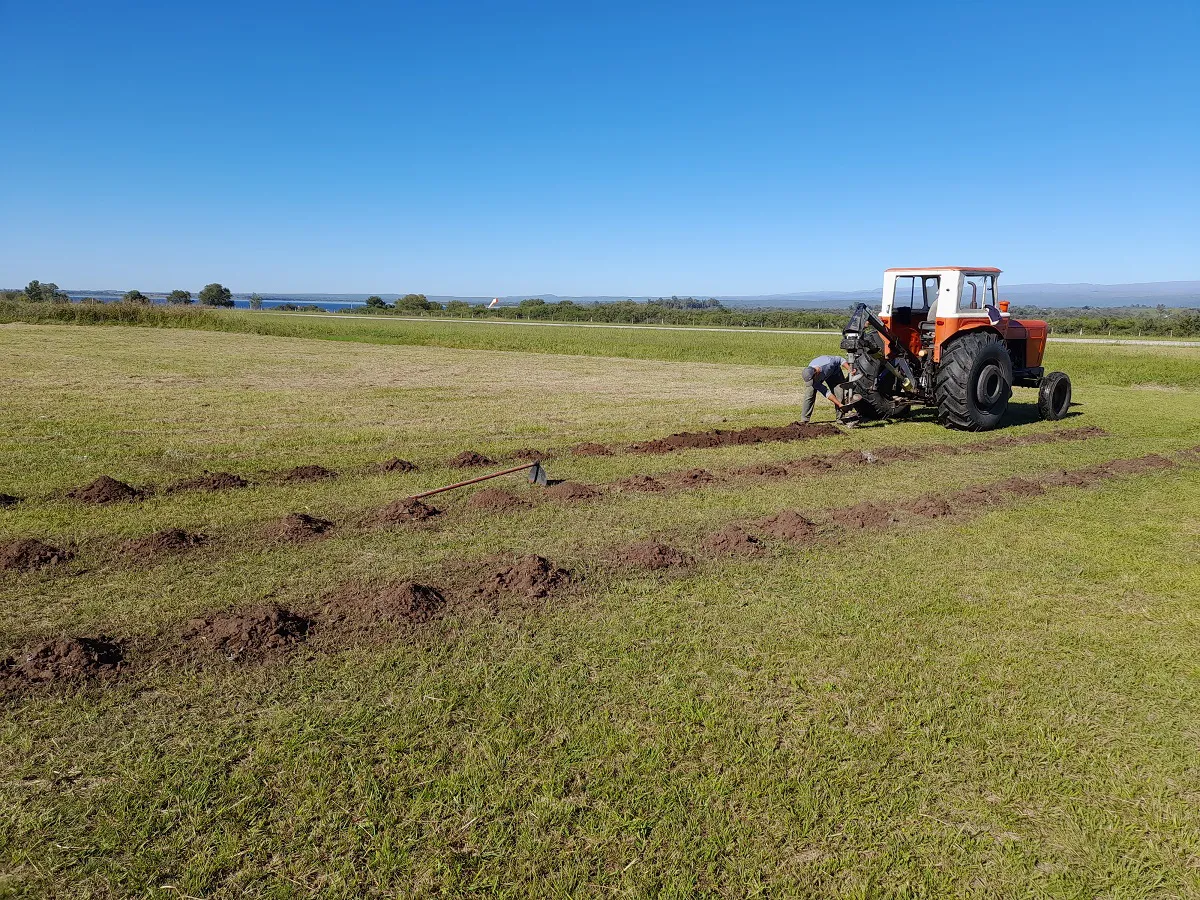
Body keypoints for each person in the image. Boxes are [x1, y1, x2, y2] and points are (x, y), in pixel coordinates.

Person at [800, 355, 852, 424]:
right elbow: (826, 392)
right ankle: (804, 420)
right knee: (809, 394)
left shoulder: (828, 363)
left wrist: (849, 369)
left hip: (834, 373)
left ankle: (840, 418)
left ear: (816, 373)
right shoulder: (811, 376)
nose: (812, 382)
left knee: (839, 393)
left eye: (812, 380)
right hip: (820, 376)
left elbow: (840, 359)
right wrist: (839, 404)